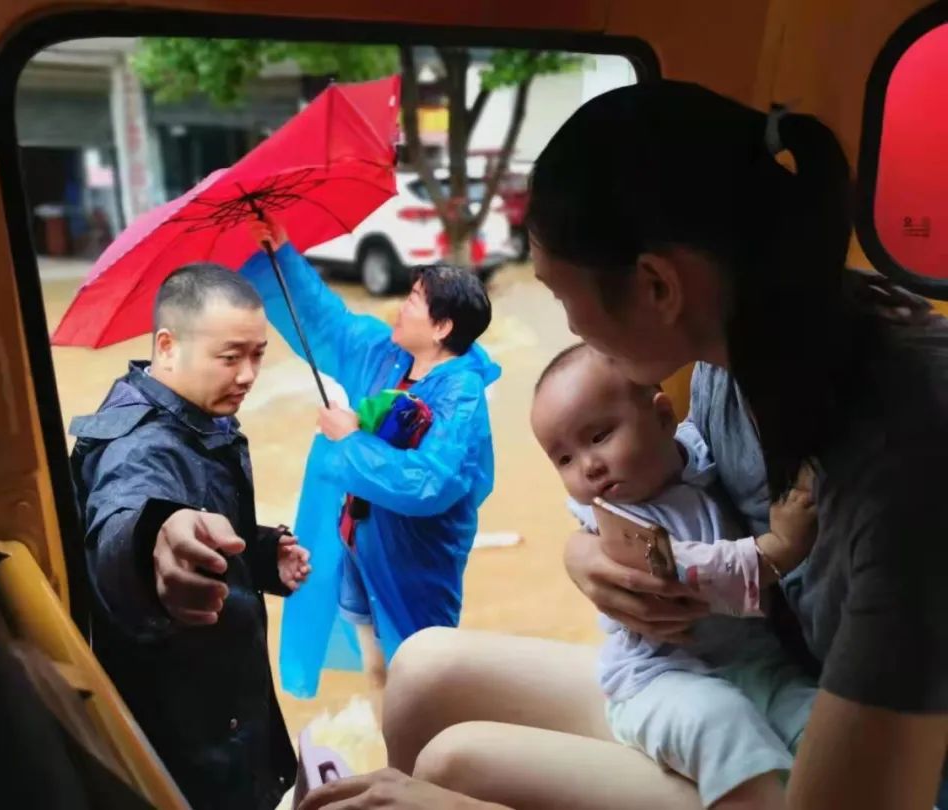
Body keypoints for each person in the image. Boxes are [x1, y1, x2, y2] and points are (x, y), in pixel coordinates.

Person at [301, 80, 948, 810]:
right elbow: (671, 499)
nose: (570, 328)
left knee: (455, 769)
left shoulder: (912, 455)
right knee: (422, 670)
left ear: (655, 287)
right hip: (749, 680)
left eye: (558, 294)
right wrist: (588, 557)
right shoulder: (729, 363)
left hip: (872, 767)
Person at [531, 343, 817, 808]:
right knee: (720, 723)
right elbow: (688, 575)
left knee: (818, 720)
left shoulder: (700, 454)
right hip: (661, 678)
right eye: (563, 459)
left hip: (756, 662)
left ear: (664, 418)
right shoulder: (614, 519)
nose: (588, 466)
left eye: (599, 435)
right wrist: (777, 551)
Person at [69, 263, 311, 810]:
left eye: (258, 355)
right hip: (185, 740)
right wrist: (154, 541)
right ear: (167, 346)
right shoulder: (141, 446)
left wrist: (265, 554)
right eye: (230, 357)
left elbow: (214, 524)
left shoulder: (202, 420)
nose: (249, 375)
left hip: (224, 709)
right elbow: (122, 526)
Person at [240, 216, 499, 705]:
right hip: (359, 543)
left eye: (414, 303)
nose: (400, 309)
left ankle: (423, 769)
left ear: (441, 327)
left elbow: (430, 483)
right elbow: (324, 321)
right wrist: (280, 255)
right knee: (377, 667)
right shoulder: (386, 356)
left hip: (415, 561)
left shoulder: (461, 395)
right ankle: (393, 766)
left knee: (422, 677)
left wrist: (350, 438)